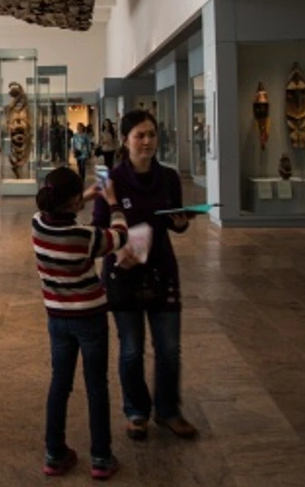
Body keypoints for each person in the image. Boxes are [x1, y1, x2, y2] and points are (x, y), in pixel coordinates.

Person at [93, 109, 198, 442]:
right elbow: (99, 229)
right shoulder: (109, 179)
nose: (147, 141)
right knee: (131, 349)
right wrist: (118, 249)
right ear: (125, 140)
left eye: (151, 134)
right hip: (124, 272)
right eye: (140, 135)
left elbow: (172, 222)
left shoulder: (168, 178)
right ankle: (136, 411)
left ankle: (168, 411)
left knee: (169, 348)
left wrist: (180, 223)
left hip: (161, 269)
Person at [33, 166, 129, 480]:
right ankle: (101, 458)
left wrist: (85, 194)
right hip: (89, 318)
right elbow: (119, 236)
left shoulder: (37, 226)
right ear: (73, 202)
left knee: (59, 384)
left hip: (56, 318)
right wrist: (113, 202)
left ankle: (54, 453)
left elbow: (60, 207)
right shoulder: (85, 236)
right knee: (96, 387)